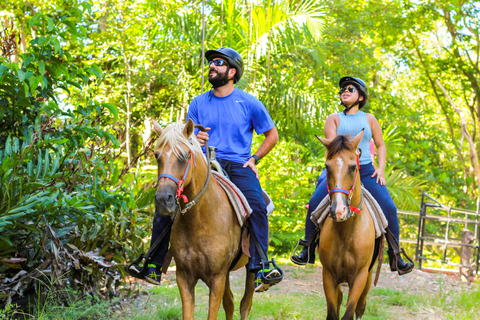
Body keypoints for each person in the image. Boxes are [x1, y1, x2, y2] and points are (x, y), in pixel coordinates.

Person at [147, 47, 283, 292]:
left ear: (232, 71)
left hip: (237, 163)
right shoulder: (198, 102)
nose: (212, 65)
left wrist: (254, 159)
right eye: (210, 62)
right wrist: (194, 140)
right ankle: (153, 264)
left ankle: (261, 266)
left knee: (257, 205)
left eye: (218, 62)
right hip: (203, 162)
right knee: (166, 197)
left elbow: (272, 135)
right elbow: (187, 137)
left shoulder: (249, 102)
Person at [290, 76, 414, 275]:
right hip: (340, 169)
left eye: (350, 89)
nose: (344, 91)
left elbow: (380, 145)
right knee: (314, 202)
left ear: (361, 97)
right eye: (342, 90)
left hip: (365, 170)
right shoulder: (334, 118)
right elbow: (333, 145)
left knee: (389, 207)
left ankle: (396, 256)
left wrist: (380, 169)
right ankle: (306, 248)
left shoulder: (370, 119)